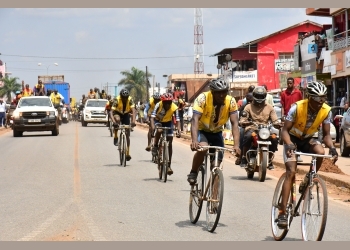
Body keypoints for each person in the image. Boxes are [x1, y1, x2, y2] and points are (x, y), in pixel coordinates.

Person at [276, 81, 338, 229]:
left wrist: (332, 147)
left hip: (309, 138)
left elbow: (327, 135)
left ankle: (309, 178)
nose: (321, 101)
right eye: (317, 98)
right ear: (309, 97)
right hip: (292, 139)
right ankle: (282, 212)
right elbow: (284, 131)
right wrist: (289, 144)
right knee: (291, 172)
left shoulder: (326, 111)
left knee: (321, 152)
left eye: (323, 98)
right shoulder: (296, 108)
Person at [187, 78, 241, 184]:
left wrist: (236, 145)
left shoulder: (231, 101)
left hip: (217, 132)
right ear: (212, 92)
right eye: (218, 93)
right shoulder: (203, 98)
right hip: (203, 130)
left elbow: (235, 124)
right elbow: (195, 119)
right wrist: (194, 140)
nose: (221, 95)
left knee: (216, 166)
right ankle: (193, 172)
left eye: (224, 92)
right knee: (202, 149)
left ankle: (214, 196)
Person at [239, 87, 280, 170]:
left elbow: (275, 119)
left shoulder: (270, 107)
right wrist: (244, 122)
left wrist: (277, 123)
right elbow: (243, 119)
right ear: (254, 95)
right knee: (247, 136)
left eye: (262, 96)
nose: (260, 98)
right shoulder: (248, 107)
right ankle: (243, 157)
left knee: (274, 139)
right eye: (258, 96)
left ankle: (269, 159)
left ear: (265, 96)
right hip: (252, 128)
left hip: (265, 130)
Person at [151, 93, 181, 175]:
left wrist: (179, 130)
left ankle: (168, 165)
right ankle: (155, 146)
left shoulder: (175, 107)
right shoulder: (158, 105)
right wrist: (153, 127)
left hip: (168, 122)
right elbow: (152, 117)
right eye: (166, 103)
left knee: (170, 141)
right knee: (160, 131)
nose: (167, 105)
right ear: (162, 102)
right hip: (158, 121)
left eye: (169, 103)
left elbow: (178, 120)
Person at [109, 89, 136, 161]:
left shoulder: (130, 99)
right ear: (121, 96)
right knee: (117, 120)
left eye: (126, 97)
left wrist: (133, 121)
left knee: (127, 134)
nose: (124, 99)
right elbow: (111, 112)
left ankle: (127, 153)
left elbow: (134, 110)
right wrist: (114, 122)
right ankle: (115, 136)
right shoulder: (117, 99)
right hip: (117, 113)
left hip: (126, 113)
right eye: (123, 97)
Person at [280, 77, 303, 162]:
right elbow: (282, 106)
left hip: (297, 117)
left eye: (291, 83)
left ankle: (298, 154)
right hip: (288, 117)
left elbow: (302, 105)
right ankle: (288, 152)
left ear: (293, 83)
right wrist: (282, 116)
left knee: (297, 135)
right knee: (287, 134)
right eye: (288, 83)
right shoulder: (284, 93)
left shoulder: (298, 93)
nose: (289, 85)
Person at [235, 92, 254, 165]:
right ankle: (241, 156)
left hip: (257, 127)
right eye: (249, 100)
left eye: (251, 100)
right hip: (245, 126)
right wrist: (244, 123)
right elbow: (240, 119)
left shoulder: (258, 106)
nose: (250, 102)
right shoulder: (244, 107)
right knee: (242, 135)